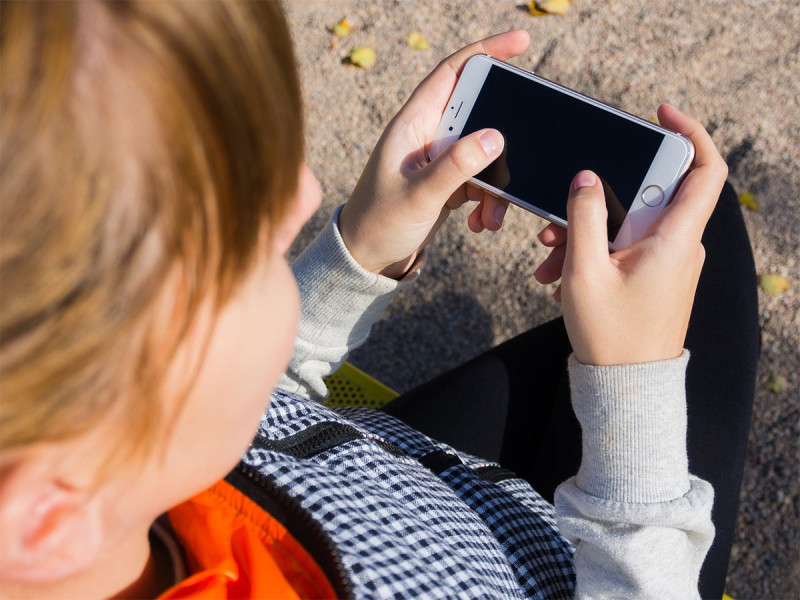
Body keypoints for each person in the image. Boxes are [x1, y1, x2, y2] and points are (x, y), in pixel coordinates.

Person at [0, 2, 757, 599]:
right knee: (694, 227)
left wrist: (358, 253)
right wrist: (632, 394)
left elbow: (238, 415)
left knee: (670, 221)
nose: (307, 193)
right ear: (44, 520)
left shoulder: (104, 457)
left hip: (393, 488)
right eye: (242, 250)